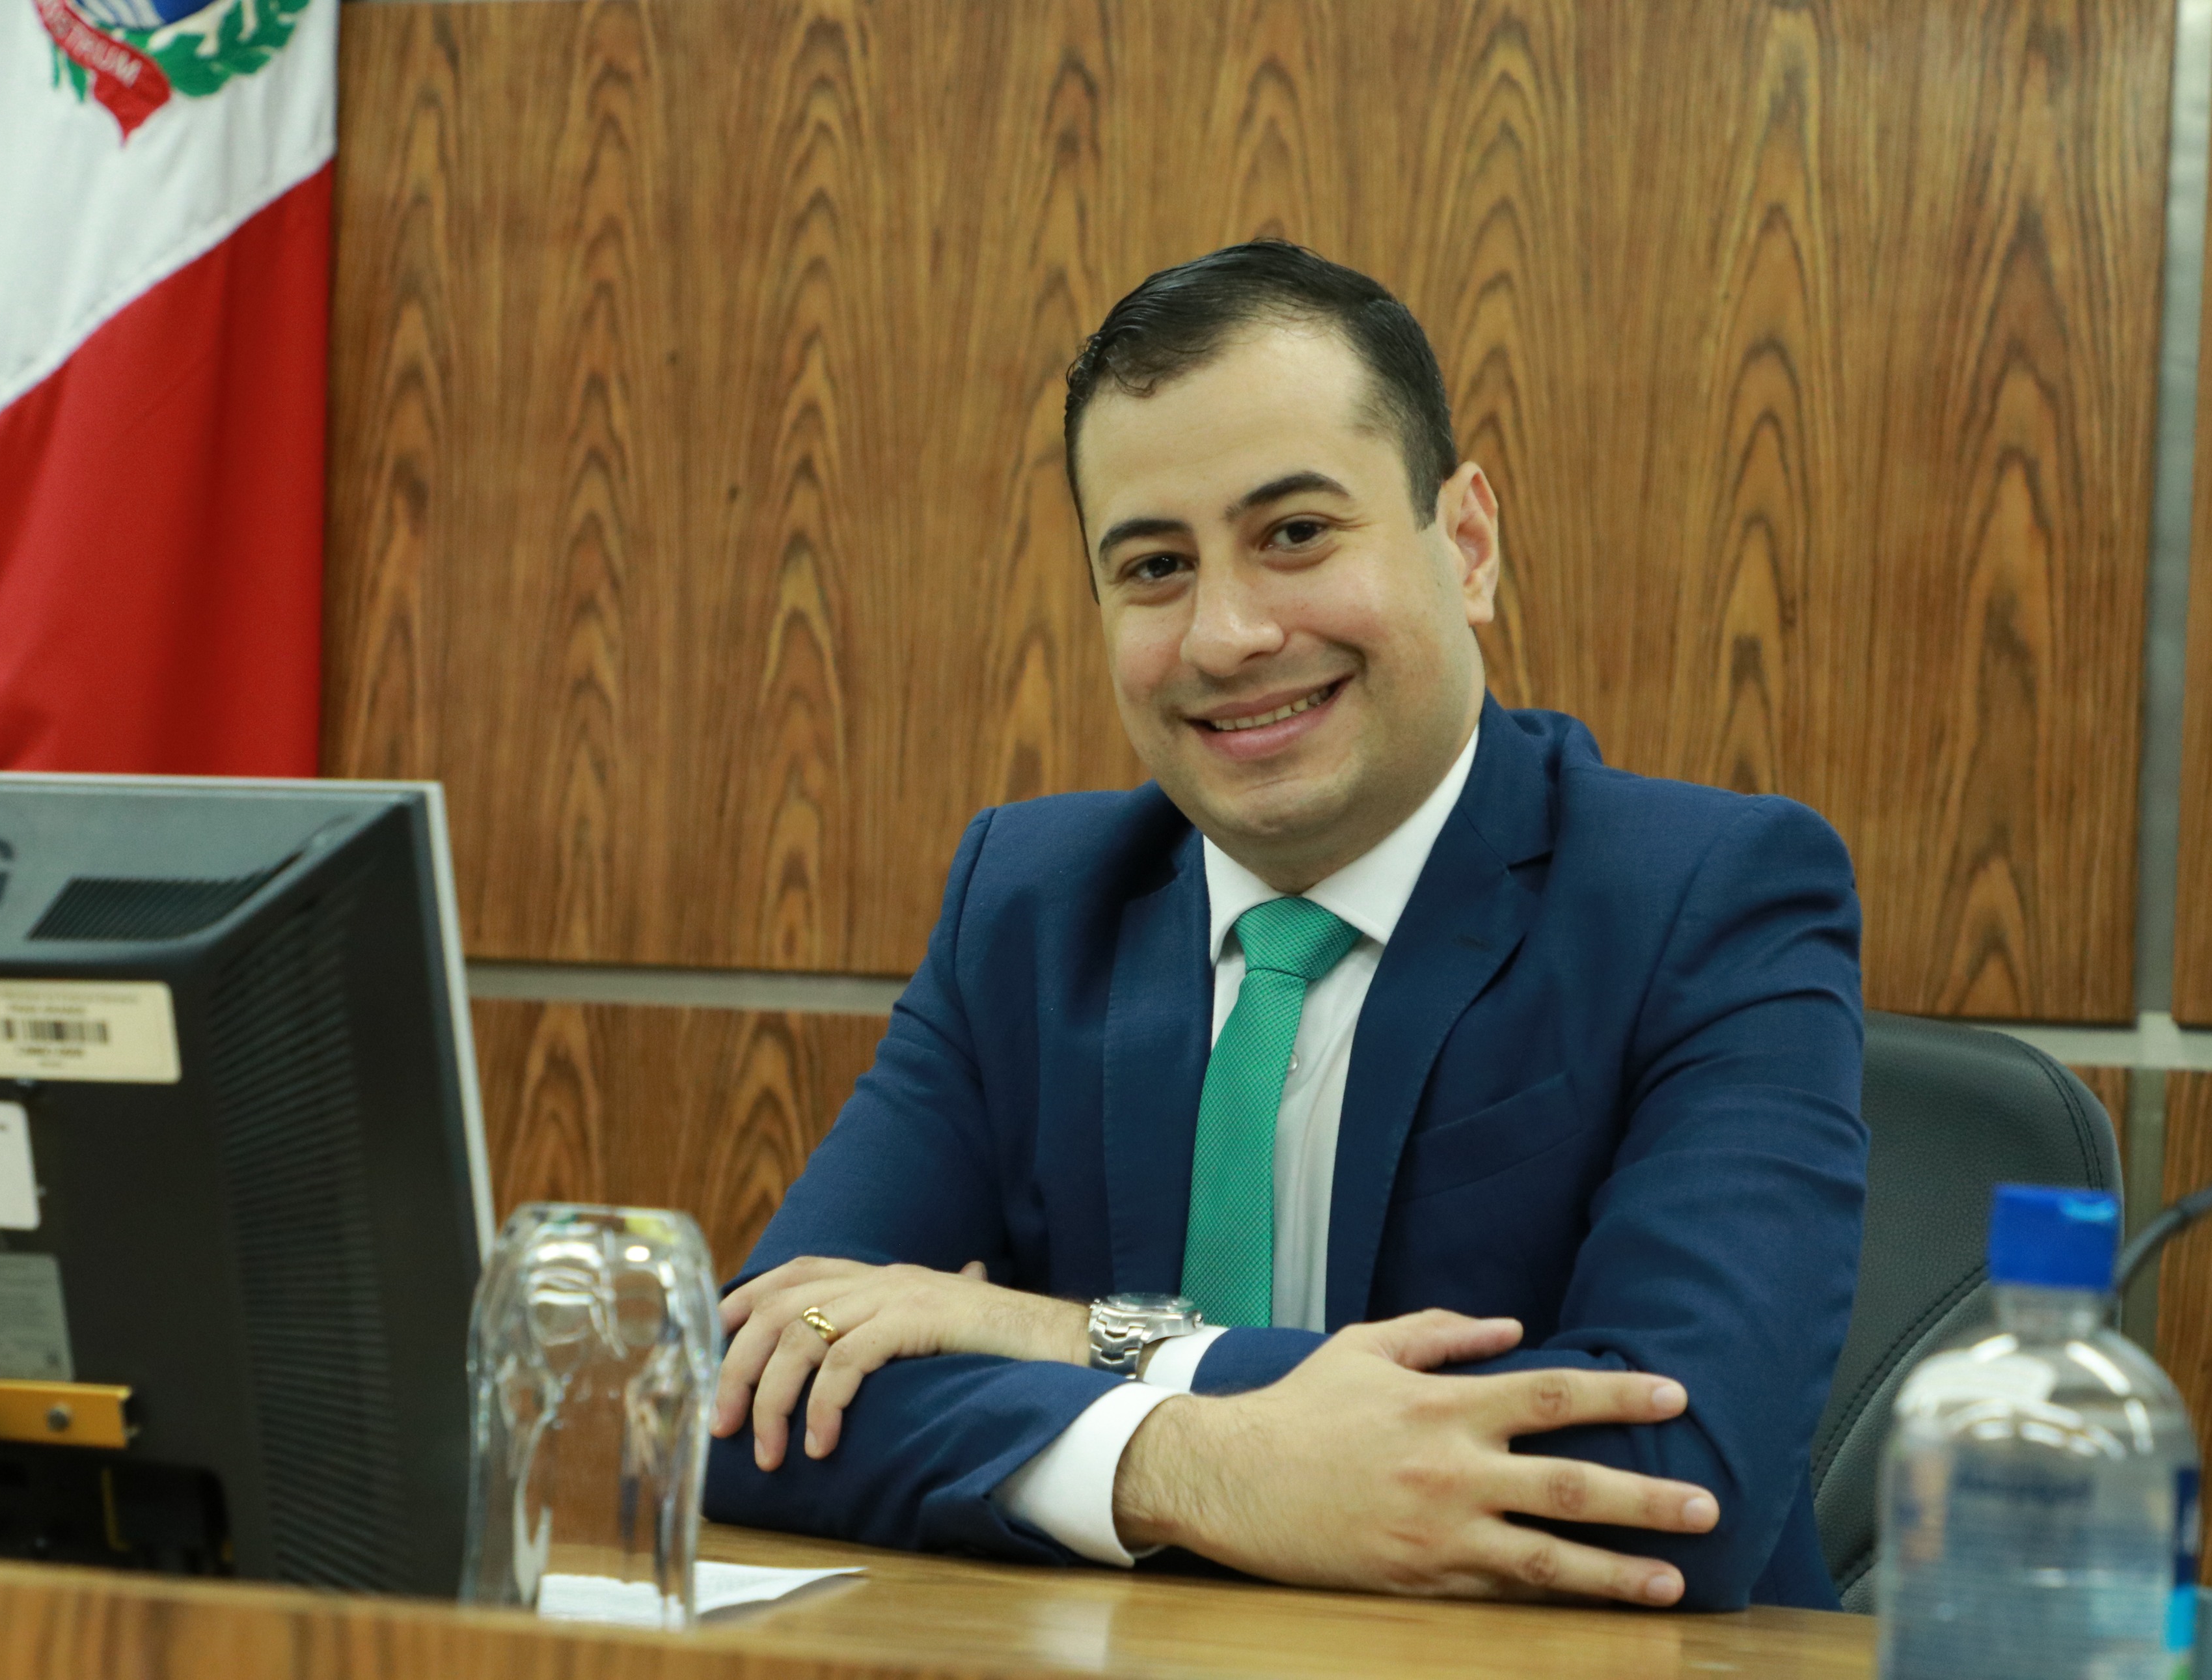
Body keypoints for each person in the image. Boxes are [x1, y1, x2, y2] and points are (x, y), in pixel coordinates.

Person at [702, 241, 1866, 1611]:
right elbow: (745, 1393)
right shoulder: (1026, 906)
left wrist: (1062, 1336)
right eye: (1154, 565)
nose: (1227, 634)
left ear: (1467, 544)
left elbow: (1674, 1481)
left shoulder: (1709, 898)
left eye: (1296, 534)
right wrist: (1197, 1466)